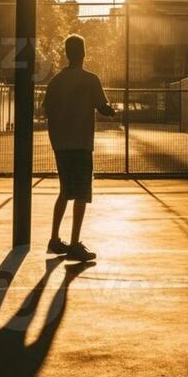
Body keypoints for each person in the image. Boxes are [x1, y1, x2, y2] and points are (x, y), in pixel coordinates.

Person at [43, 34, 115, 260]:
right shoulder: (90, 79)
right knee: (82, 193)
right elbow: (103, 107)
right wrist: (111, 110)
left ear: (66, 53)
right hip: (81, 143)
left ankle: (54, 239)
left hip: (61, 143)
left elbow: (46, 109)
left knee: (65, 190)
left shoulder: (56, 81)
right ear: (83, 53)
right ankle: (74, 243)